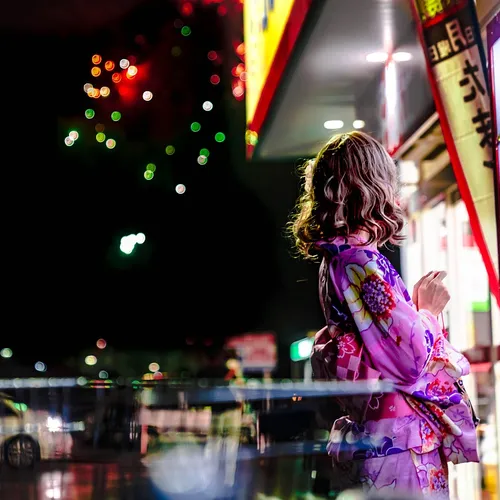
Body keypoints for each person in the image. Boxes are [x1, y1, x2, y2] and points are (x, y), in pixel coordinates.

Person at [288, 131, 478, 498]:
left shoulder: (337, 258)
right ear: (372, 184)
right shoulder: (361, 262)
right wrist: (428, 310)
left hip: (375, 437)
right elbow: (410, 360)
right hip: (399, 443)